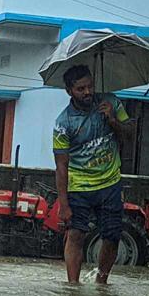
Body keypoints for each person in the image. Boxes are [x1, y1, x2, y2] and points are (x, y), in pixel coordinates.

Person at [53, 64, 135, 284]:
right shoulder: (63, 124)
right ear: (70, 91)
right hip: (79, 186)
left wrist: (112, 121)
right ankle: (72, 286)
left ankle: (102, 283)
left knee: (112, 235)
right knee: (76, 234)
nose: (88, 92)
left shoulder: (112, 103)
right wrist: (64, 204)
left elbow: (130, 134)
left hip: (110, 183)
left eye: (90, 86)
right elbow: (61, 165)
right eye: (81, 89)